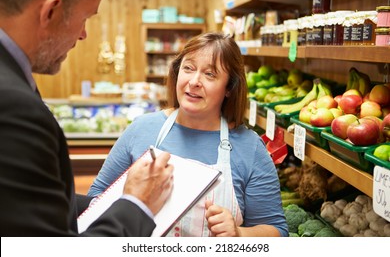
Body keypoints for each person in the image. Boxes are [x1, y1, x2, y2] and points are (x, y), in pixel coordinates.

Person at [0, 0, 174, 237]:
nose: (83, 34)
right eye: (85, 19)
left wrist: (100, 205)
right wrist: (138, 203)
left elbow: (24, 205)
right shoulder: (14, 106)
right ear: (51, 11)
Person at [88, 32, 289, 237]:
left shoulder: (250, 148)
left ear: (229, 87)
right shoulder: (141, 130)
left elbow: (277, 230)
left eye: (210, 74)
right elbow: (95, 200)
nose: (194, 81)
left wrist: (239, 234)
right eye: (188, 68)